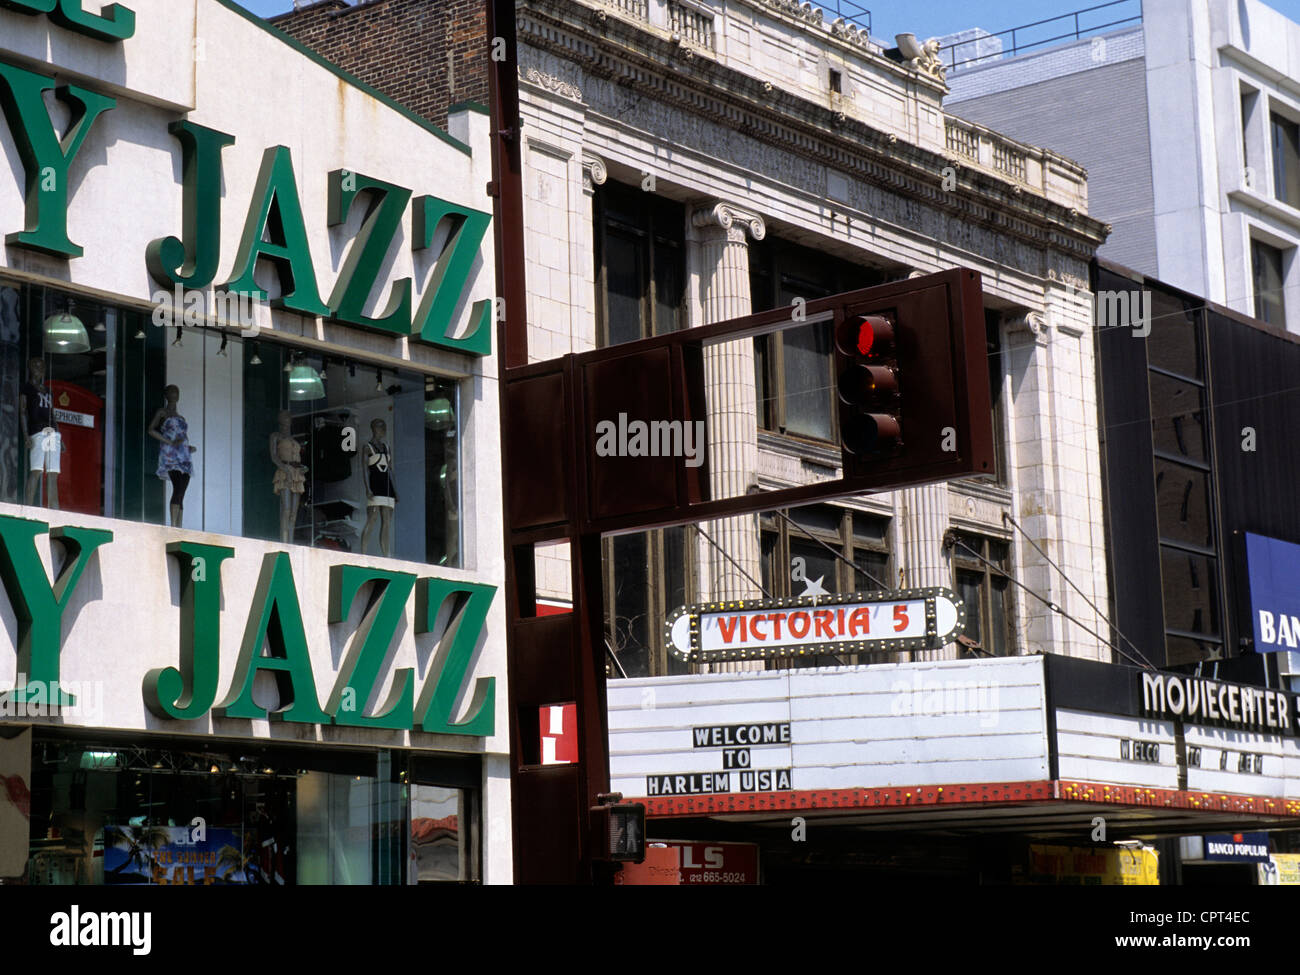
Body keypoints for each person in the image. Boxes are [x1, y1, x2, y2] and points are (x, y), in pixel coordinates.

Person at [147, 385, 197, 527]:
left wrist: (188, 447)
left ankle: (179, 526)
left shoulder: (181, 417)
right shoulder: (162, 412)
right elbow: (151, 430)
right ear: (166, 395)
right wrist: (169, 442)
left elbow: (183, 436)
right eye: (171, 392)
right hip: (171, 454)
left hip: (184, 456)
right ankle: (174, 525)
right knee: (177, 487)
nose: (174, 394)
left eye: (176, 392)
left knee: (182, 489)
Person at [20, 357, 60, 509]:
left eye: (42, 366)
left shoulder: (48, 390)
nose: (40, 368)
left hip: (53, 433)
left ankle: (54, 510)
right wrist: (26, 435)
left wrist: (59, 435)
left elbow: (52, 413)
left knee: (53, 472)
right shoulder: (27, 388)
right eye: (36, 366)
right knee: (36, 469)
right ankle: (28, 509)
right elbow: (23, 411)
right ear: (30, 367)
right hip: (37, 431)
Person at [361, 418, 397, 557]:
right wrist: (368, 488)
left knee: (387, 521)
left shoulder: (387, 447)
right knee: (372, 518)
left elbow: (390, 469)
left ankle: (386, 554)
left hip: (387, 486)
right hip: (375, 484)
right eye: (379, 427)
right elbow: (365, 469)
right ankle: (363, 552)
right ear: (374, 428)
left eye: (383, 427)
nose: (382, 430)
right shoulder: (367, 447)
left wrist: (396, 490)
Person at [270, 411, 306, 543]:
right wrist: (286, 469)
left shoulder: (293, 439)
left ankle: (290, 541)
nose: (288, 419)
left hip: (297, 472)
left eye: (289, 417)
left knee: (294, 512)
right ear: (280, 419)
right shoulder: (276, 436)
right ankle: (284, 541)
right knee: (286, 509)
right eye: (285, 417)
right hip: (284, 471)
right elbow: (274, 456)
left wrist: (301, 468)